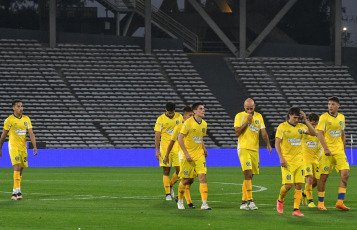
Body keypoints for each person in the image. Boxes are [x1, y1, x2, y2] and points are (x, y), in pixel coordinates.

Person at [275, 107, 316, 216]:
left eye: (298, 118)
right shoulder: (282, 127)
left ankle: (296, 210)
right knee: (288, 186)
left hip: (299, 162)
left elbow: (313, 133)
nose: (297, 120)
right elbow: (277, 143)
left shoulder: (302, 127)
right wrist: (281, 158)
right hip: (287, 162)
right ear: (289, 115)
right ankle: (280, 200)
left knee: (298, 185)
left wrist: (306, 120)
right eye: (295, 117)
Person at [234, 98, 272, 210]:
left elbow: (263, 132)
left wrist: (268, 144)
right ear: (244, 107)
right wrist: (247, 121)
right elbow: (237, 132)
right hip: (244, 147)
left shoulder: (259, 116)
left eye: (251, 108)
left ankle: (243, 202)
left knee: (250, 176)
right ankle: (250, 201)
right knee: (248, 174)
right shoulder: (239, 116)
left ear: (254, 106)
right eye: (247, 108)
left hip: (255, 149)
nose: (249, 111)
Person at [316, 96, 350, 211]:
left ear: (338, 106)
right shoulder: (324, 118)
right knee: (324, 177)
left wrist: (343, 151)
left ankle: (340, 202)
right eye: (329, 104)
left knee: (345, 174)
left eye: (333, 104)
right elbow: (320, 134)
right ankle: (320, 202)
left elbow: (342, 134)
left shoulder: (341, 117)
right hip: (327, 152)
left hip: (339, 151)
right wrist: (325, 148)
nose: (330, 106)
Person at [0, 100, 38, 200]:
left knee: (21, 169)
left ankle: (15, 191)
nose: (20, 108)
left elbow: (31, 133)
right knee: (17, 166)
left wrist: (34, 146)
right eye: (18, 106)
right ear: (13, 108)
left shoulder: (26, 119)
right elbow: (3, 136)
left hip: (23, 148)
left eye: (21, 106)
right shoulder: (9, 120)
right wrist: (0, 148)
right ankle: (17, 192)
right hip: (13, 147)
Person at [177, 102, 210, 210]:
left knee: (202, 177)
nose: (203, 110)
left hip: (199, 155)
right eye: (201, 109)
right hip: (188, 156)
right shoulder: (188, 123)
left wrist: (204, 149)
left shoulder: (204, 124)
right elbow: (180, 138)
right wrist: (186, 153)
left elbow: (200, 138)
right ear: (194, 111)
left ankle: (204, 204)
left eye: (204, 108)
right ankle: (180, 201)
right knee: (186, 180)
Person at [163, 106, 195, 209]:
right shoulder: (179, 127)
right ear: (184, 116)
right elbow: (171, 142)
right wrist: (166, 155)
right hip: (182, 155)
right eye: (190, 115)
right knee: (185, 178)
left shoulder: (195, 126)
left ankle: (173, 187)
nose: (192, 117)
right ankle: (188, 202)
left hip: (193, 155)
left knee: (191, 180)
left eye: (193, 115)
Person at [154, 102, 183, 200]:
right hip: (165, 148)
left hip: (177, 148)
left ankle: (170, 185)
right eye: (169, 113)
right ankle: (167, 194)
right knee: (166, 170)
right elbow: (157, 135)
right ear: (166, 111)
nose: (171, 115)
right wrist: (157, 150)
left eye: (172, 113)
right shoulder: (160, 119)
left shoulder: (179, 117)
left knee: (180, 171)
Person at [301, 112, 320, 208]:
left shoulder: (319, 131)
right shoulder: (304, 129)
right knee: (309, 178)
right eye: (312, 124)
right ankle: (310, 201)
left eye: (315, 124)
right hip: (305, 159)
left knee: (316, 181)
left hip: (316, 160)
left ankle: (304, 194)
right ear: (308, 121)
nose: (314, 126)